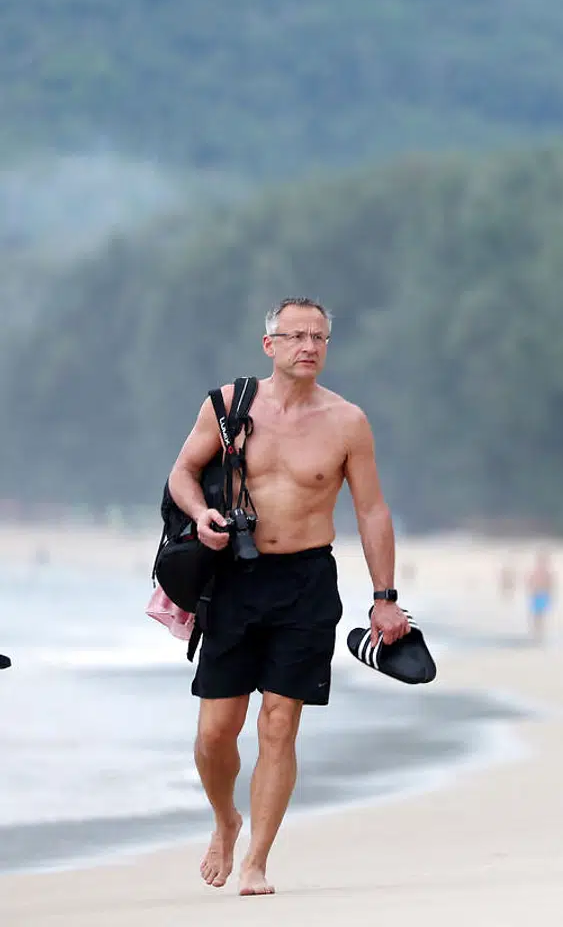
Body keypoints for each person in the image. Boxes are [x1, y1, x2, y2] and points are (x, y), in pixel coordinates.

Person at [166, 297, 409, 896]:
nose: (309, 346)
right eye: (296, 335)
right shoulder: (227, 406)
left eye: (319, 337)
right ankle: (226, 818)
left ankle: (257, 859)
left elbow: (372, 510)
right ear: (269, 344)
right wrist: (200, 514)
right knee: (215, 733)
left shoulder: (347, 421)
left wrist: (385, 596)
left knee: (279, 724)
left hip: (305, 584)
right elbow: (181, 473)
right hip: (235, 579)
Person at [526, 550, 555, 643]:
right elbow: (531, 582)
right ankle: (536, 632)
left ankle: (539, 632)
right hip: (537, 594)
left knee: (540, 615)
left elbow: (550, 584)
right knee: (537, 615)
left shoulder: (546, 572)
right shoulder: (537, 571)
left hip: (542, 594)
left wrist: (549, 594)